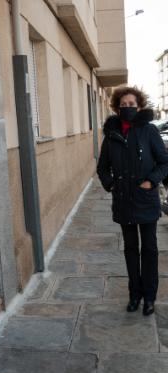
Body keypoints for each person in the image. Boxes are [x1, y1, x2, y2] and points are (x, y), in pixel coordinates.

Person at [97, 86, 168, 316]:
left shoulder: (148, 131)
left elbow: (164, 162)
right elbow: (102, 167)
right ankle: (134, 295)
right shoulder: (111, 134)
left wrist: (151, 181)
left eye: (132, 104)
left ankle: (149, 297)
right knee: (130, 250)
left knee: (149, 249)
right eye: (124, 105)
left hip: (146, 200)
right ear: (117, 107)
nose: (128, 108)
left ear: (139, 106)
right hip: (124, 201)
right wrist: (111, 184)